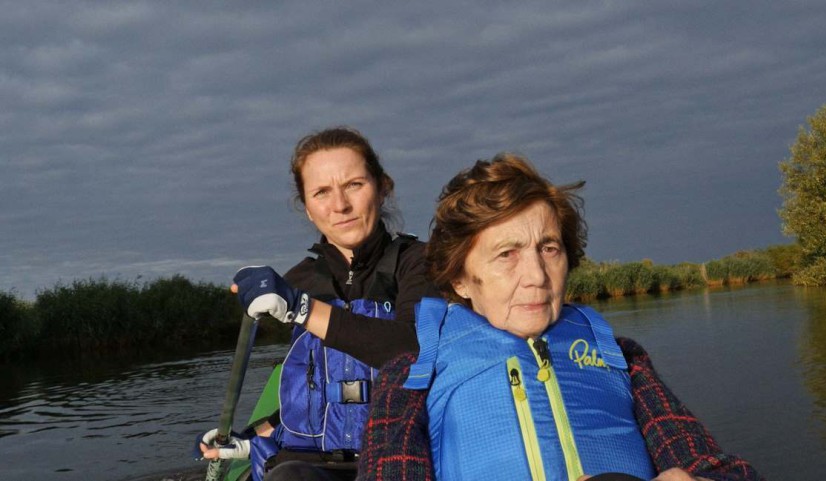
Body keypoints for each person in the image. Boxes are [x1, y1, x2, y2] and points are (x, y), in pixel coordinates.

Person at [356, 154, 764, 481]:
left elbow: (716, 466)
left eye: (549, 248)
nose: (536, 276)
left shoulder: (622, 358)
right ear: (461, 278)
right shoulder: (410, 380)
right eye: (506, 254)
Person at [198, 127, 439, 481]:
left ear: (383, 187)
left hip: (394, 458)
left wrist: (304, 310)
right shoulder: (299, 280)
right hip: (305, 464)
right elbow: (309, 388)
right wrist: (250, 438)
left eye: (354, 185)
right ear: (308, 208)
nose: (340, 205)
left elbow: (414, 351)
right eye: (321, 192)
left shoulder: (420, 263)